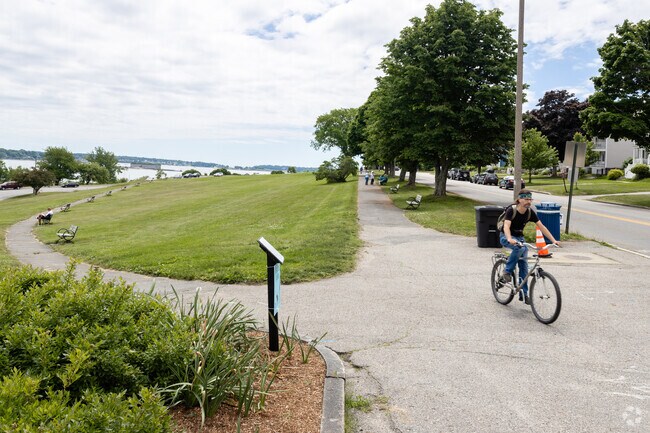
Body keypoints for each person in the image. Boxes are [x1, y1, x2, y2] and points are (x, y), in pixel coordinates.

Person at [499, 190, 560, 304]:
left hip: (520, 238)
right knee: (520, 248)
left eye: (530, 199)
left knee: (524, 266)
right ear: (519, 200)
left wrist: (553, 240)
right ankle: (507, 271)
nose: (528, 202)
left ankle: (524, 294)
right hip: (506, 236)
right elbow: (506, 226)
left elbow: (542, 227)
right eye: (526, 199)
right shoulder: (511, 210)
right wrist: (509, 238)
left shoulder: (530, 212)